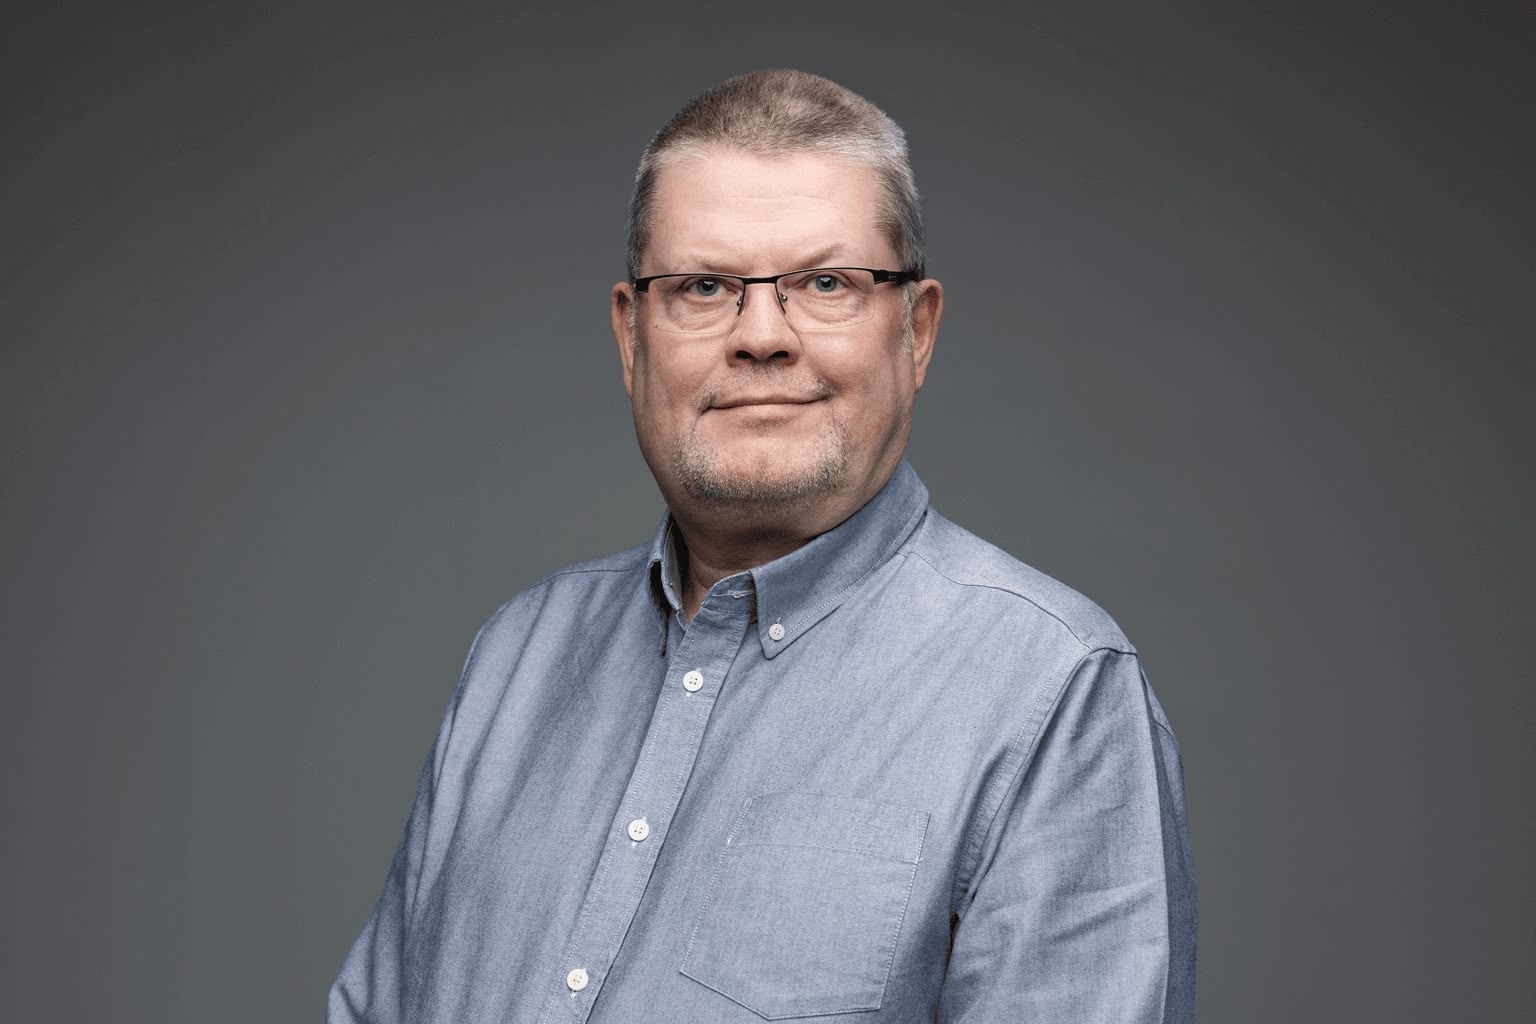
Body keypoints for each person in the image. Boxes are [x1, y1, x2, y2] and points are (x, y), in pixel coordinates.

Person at [329, 68, 1196, 1023]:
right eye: (704, 287)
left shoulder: (1052, 692)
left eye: (826, 283)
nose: (762, 337)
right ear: (632, 336)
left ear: (916, 332)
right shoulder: (518, 658)